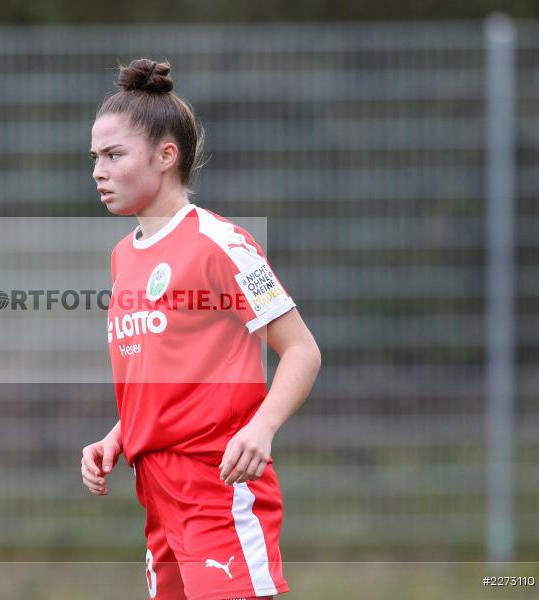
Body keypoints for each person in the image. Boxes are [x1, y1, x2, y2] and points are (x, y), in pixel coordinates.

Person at [81, 58, 321, 600]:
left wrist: (261, 429)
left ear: (167, 156)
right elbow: (170, 372)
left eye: (114, 155)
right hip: (158, 490)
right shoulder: (124, 257)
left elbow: (302, 351)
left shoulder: (222, 244)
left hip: (218, 484)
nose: (98, 170)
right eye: (95, 157)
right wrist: (119, 437)